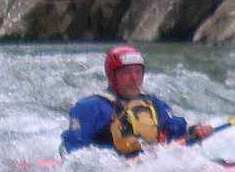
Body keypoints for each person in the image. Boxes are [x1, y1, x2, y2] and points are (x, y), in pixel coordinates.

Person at [60, 45, 214, 156]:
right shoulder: (92, 107)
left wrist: (195, 129)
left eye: (138, 72)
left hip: (148, 167)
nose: (134, 78)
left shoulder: (152, 103)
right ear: (112, 76)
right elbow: (71, 150)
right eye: (126, 73)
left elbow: (174, 127)